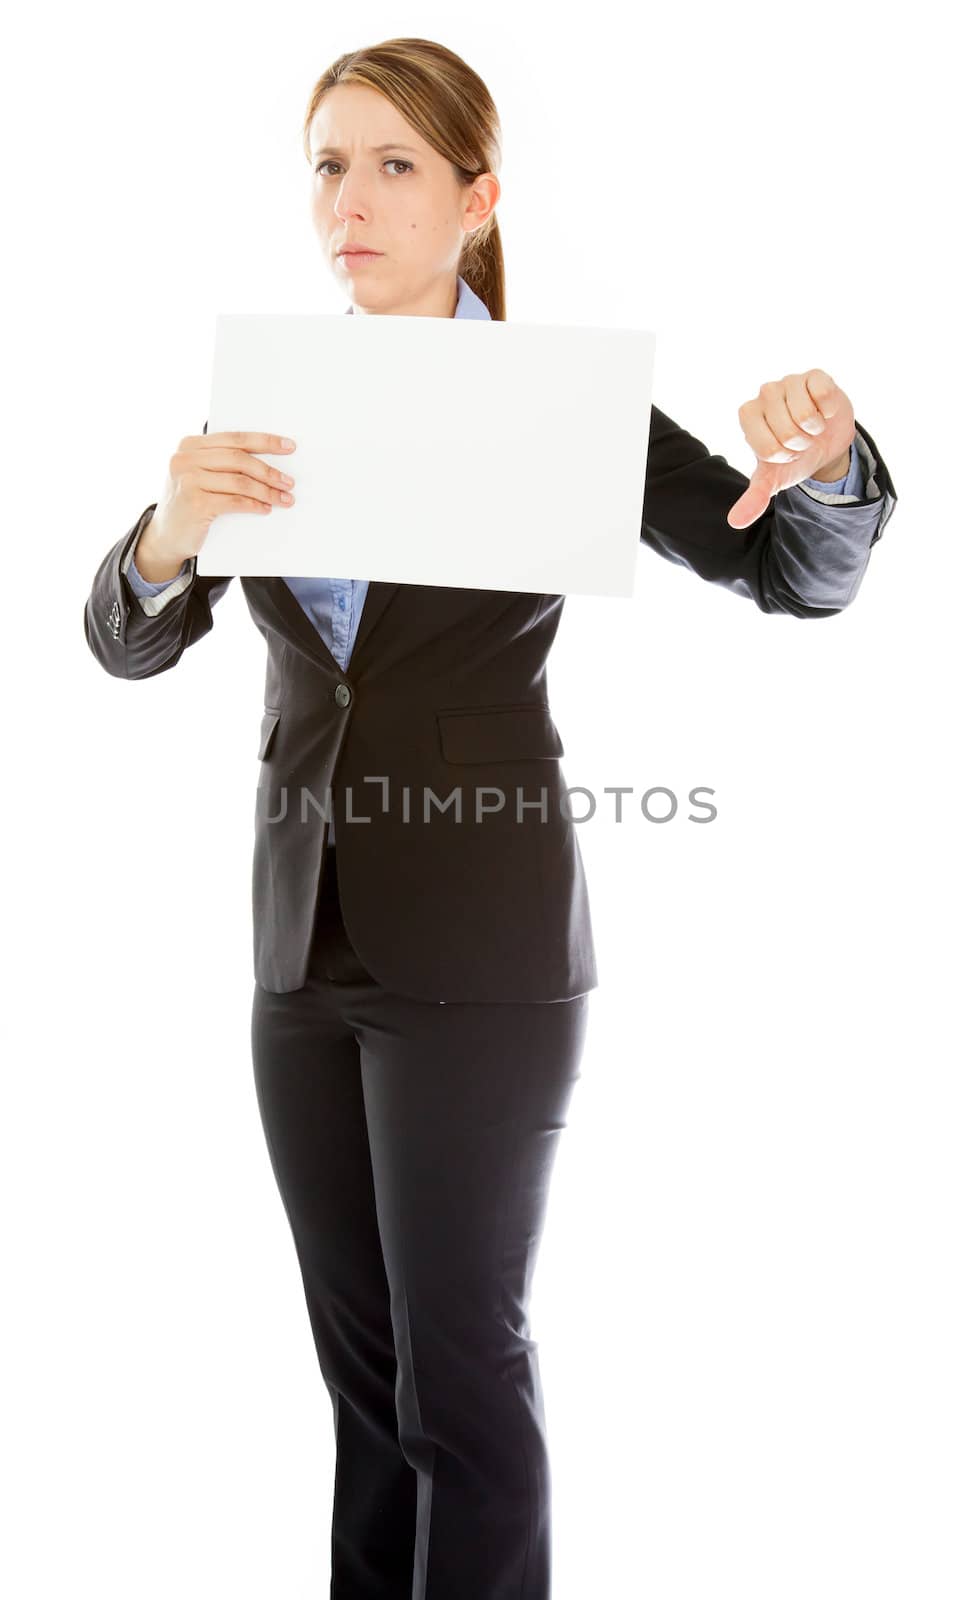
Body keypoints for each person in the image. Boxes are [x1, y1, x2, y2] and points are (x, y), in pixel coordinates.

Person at [83, 36, 898, 1600]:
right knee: (367, 1391)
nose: (353, 200)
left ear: (477, 200)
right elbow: (123, 644)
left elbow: (790, 578)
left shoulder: (558, 406)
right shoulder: (264, 402)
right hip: (296, 957)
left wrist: (832, 472)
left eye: (396, 165)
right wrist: (166, 533)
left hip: (480, 957)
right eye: (328, 163)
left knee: (460, 1377)